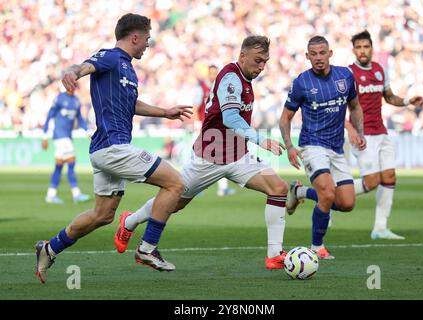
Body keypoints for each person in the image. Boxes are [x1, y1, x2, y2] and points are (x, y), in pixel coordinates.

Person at [34, 13, 192, 283]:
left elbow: (132, 105)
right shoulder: (111, 57)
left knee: (103, 215)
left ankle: (49, 248)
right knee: (177, 184)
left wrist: (165, 112)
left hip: (104, 150)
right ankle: (147, 248)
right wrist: (71, 73)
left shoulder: (128, 70)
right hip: (114, 148)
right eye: (147, 39)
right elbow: (82, 67)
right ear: (135, 37)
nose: (147, 45)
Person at [114, 35, 290, 270]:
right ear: (242, 56)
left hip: (239, 156)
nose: (261, 67)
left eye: (265, 62)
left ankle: (274, 254)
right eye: (258, 61)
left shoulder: (245, 79)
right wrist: (260, 140)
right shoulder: (231, 78)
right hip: (209, 158)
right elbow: (229, 118)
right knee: (174, 202)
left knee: (278, 188)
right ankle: (130, 221)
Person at [279, 36, 366, 259]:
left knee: (346, 203)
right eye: (314, 54)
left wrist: (359, 131)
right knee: (327, 194)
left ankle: (299, 191)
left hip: (337, 148)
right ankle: (317, 247)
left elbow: (355, 106)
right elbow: (285, 118)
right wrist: (289, 146)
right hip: (312, 145)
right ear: (307, 56)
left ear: (330, 53)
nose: (318, 58)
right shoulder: (302, 83)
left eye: (322, 53)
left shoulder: (345, 76)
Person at [346, 30, 423, 240]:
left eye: (366, 46)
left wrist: (408, 101)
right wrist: (351, 129)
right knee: (371, 182)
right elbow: (338, 106)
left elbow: (388, 97)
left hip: (381, 132)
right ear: (354, 50)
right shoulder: (347, 74)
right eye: (359, 47)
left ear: (371, 48)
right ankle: (331, 191)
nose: (363, 50)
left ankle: (380, 228)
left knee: (389, 177)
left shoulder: (380, 70)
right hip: (363, 135)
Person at [42, 86, 91, 204]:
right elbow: (50, 115)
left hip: (67, 137)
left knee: (59, 166)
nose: (73, 87)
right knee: (71, 163)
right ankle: (76, 194)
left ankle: (51, 195)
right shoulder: (59, 98)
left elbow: (80, 118)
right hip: (60, 136)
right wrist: (45, 136)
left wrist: (87, 131)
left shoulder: (76, 101)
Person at [193, 64, 235, 197]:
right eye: (211, 73)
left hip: (216, 128)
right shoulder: (202, 89)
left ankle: (222, 188)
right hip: (203, 127)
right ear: (208, 74)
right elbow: (195, 108)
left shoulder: (222, 88)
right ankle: (196, 186)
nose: (213, 76)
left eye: (216, 73)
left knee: (219, 156)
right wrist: (197, 123)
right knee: (199, 157)